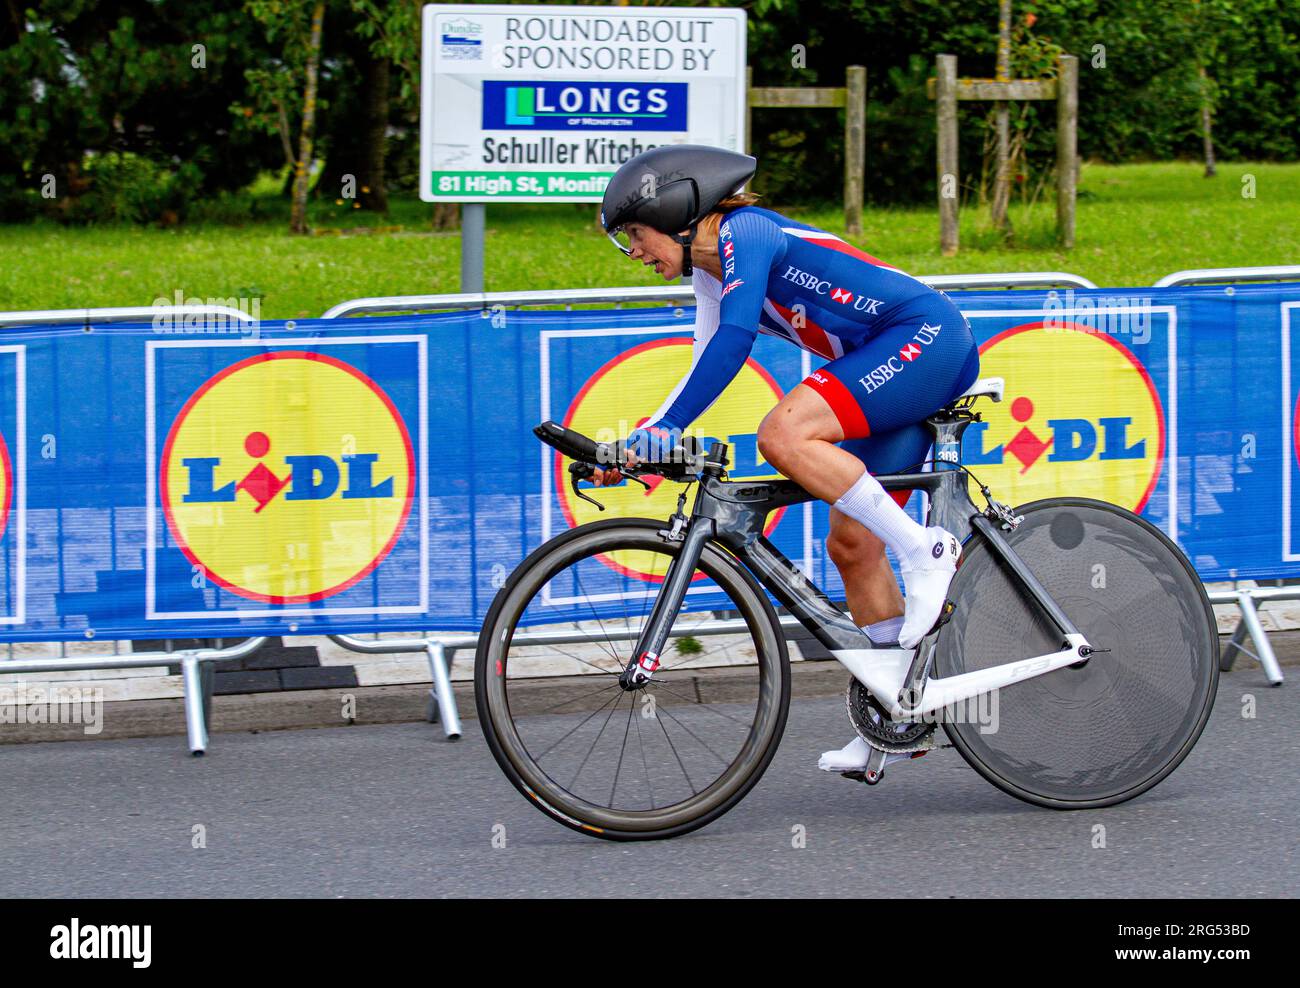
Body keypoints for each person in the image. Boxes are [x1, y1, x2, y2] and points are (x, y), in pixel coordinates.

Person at [594, 144, 980, 773]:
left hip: (924, 339)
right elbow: (705, 360)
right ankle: (897, 711)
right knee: (853, 546)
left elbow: (738, 339)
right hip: (888, 361)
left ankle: (927, 549)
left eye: (635, 235)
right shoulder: (708, 274)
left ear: (676, 213)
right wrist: (648, 437)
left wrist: (662, 429)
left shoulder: (744, 232)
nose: (633, 252)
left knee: (783, 434)